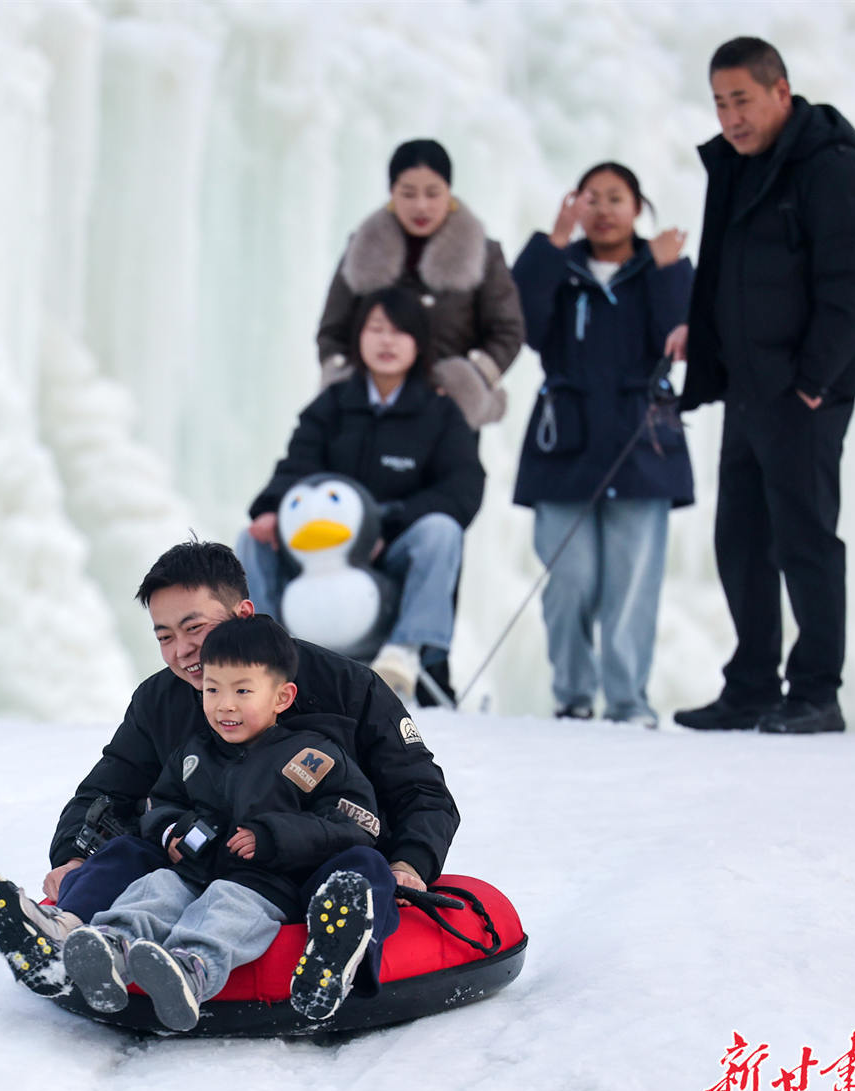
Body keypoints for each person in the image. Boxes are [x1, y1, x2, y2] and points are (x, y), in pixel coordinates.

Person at [0, 540, 458, 1019]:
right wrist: (73, 856)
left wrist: (408, 862)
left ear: (242, 615)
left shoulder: (347, 686)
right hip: (202, 861)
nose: (182, 651)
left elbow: (420, 791)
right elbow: (108, 791)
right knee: (130, 851)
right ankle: (62, 935)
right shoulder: (162, 700)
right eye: (165, 636)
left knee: (360, 865)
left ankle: (337, 956)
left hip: (306, 864)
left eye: (194, 627)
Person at [668, 37, 855, 735]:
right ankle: (753, 684)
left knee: (803, 538)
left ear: (780, 93)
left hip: (802, 391)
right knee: (739, 538)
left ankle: (816, 690)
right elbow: (725, 273)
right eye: (720, 102)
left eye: (742, 100)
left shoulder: (831, 168)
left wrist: (815, 381)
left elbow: (848, 287)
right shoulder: (734, 164)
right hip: (747, 386)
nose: (731, 116)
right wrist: (702, 340)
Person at [62, 615, 381, 1031]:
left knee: (227, 908)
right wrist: (172, 830)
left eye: (242, 691)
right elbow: (160, 801)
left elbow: (357, 821)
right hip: (194, 869)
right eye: (212, 690)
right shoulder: (194, 754)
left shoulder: (311, 756)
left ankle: (190, 971)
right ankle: (110, 947)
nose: (224, 705)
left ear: (282, 697)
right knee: (155, 888)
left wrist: (274, 836)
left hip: (264, 883)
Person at [511, 162, 695, 727]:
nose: (604, 209)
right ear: (576, 205)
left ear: (638, 207)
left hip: (642, 445)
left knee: (631, 584)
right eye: (592, 198)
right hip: (564, 441)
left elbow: (681, 341)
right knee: (568, 579)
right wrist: (553, 241)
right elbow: (524, 324)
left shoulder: (661, 265)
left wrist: (669, 271)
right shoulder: (558, 265)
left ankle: (627, 703)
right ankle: (572, 694)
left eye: (617, 198)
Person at [240, 286, 484, 701]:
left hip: (392, 548)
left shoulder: (440, 413)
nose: (386, 341)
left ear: (419, 343)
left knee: (442, 531)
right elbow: (296, 466)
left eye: (399, 331)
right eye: (376, 329)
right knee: (252, 538)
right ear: (358, 338)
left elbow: (462, 490)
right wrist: (270, 511)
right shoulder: (332, 406)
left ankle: (405, 655)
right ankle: (269, 657)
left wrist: (384, 527)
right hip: (323, 550)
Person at [317, 138, 525, 432]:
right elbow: (332, 330)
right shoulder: (361, 250)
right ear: (392, 194)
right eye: (408, 193)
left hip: (448, 414)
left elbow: (508, 330)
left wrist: (469, 380)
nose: (421, 205)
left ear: (449, 193)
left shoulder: (483, 254)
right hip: (368, 414)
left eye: (432, 193)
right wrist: (345, 384)